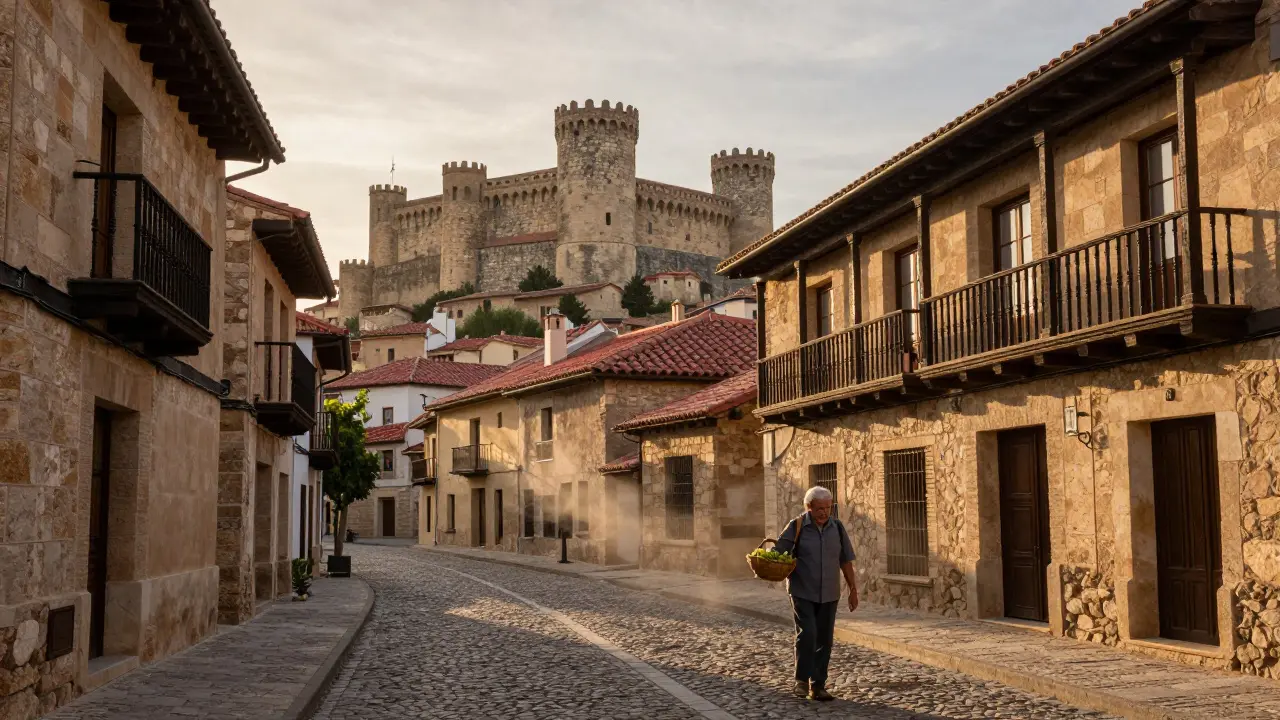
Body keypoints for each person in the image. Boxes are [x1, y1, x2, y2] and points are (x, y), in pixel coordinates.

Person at [773, 485, 858, 702]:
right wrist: (771, 559)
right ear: (809, 507)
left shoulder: (837, 527)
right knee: (808, 633)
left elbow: (845, 560)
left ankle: (818, 686)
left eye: (828, 508)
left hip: (829, 593)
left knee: (825, 640)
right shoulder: (797, 526)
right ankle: (801, 680)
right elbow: (778, 552)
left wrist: (853, 589)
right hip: (802, 590)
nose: (824, 512)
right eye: (819, 508)